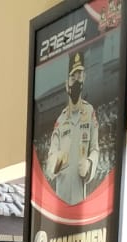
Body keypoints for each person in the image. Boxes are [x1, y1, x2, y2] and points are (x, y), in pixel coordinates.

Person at [45, 51, 101, 204]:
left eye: (79, 77)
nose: (76, 82)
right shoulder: (61, 120)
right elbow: (51, 159)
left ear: (84, 78)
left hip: (79, 197)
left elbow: (95, 149)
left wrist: (89, 164)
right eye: (72, 78)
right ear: (66, 84)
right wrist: (57, 162)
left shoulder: (89, 113)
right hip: (61, 197)